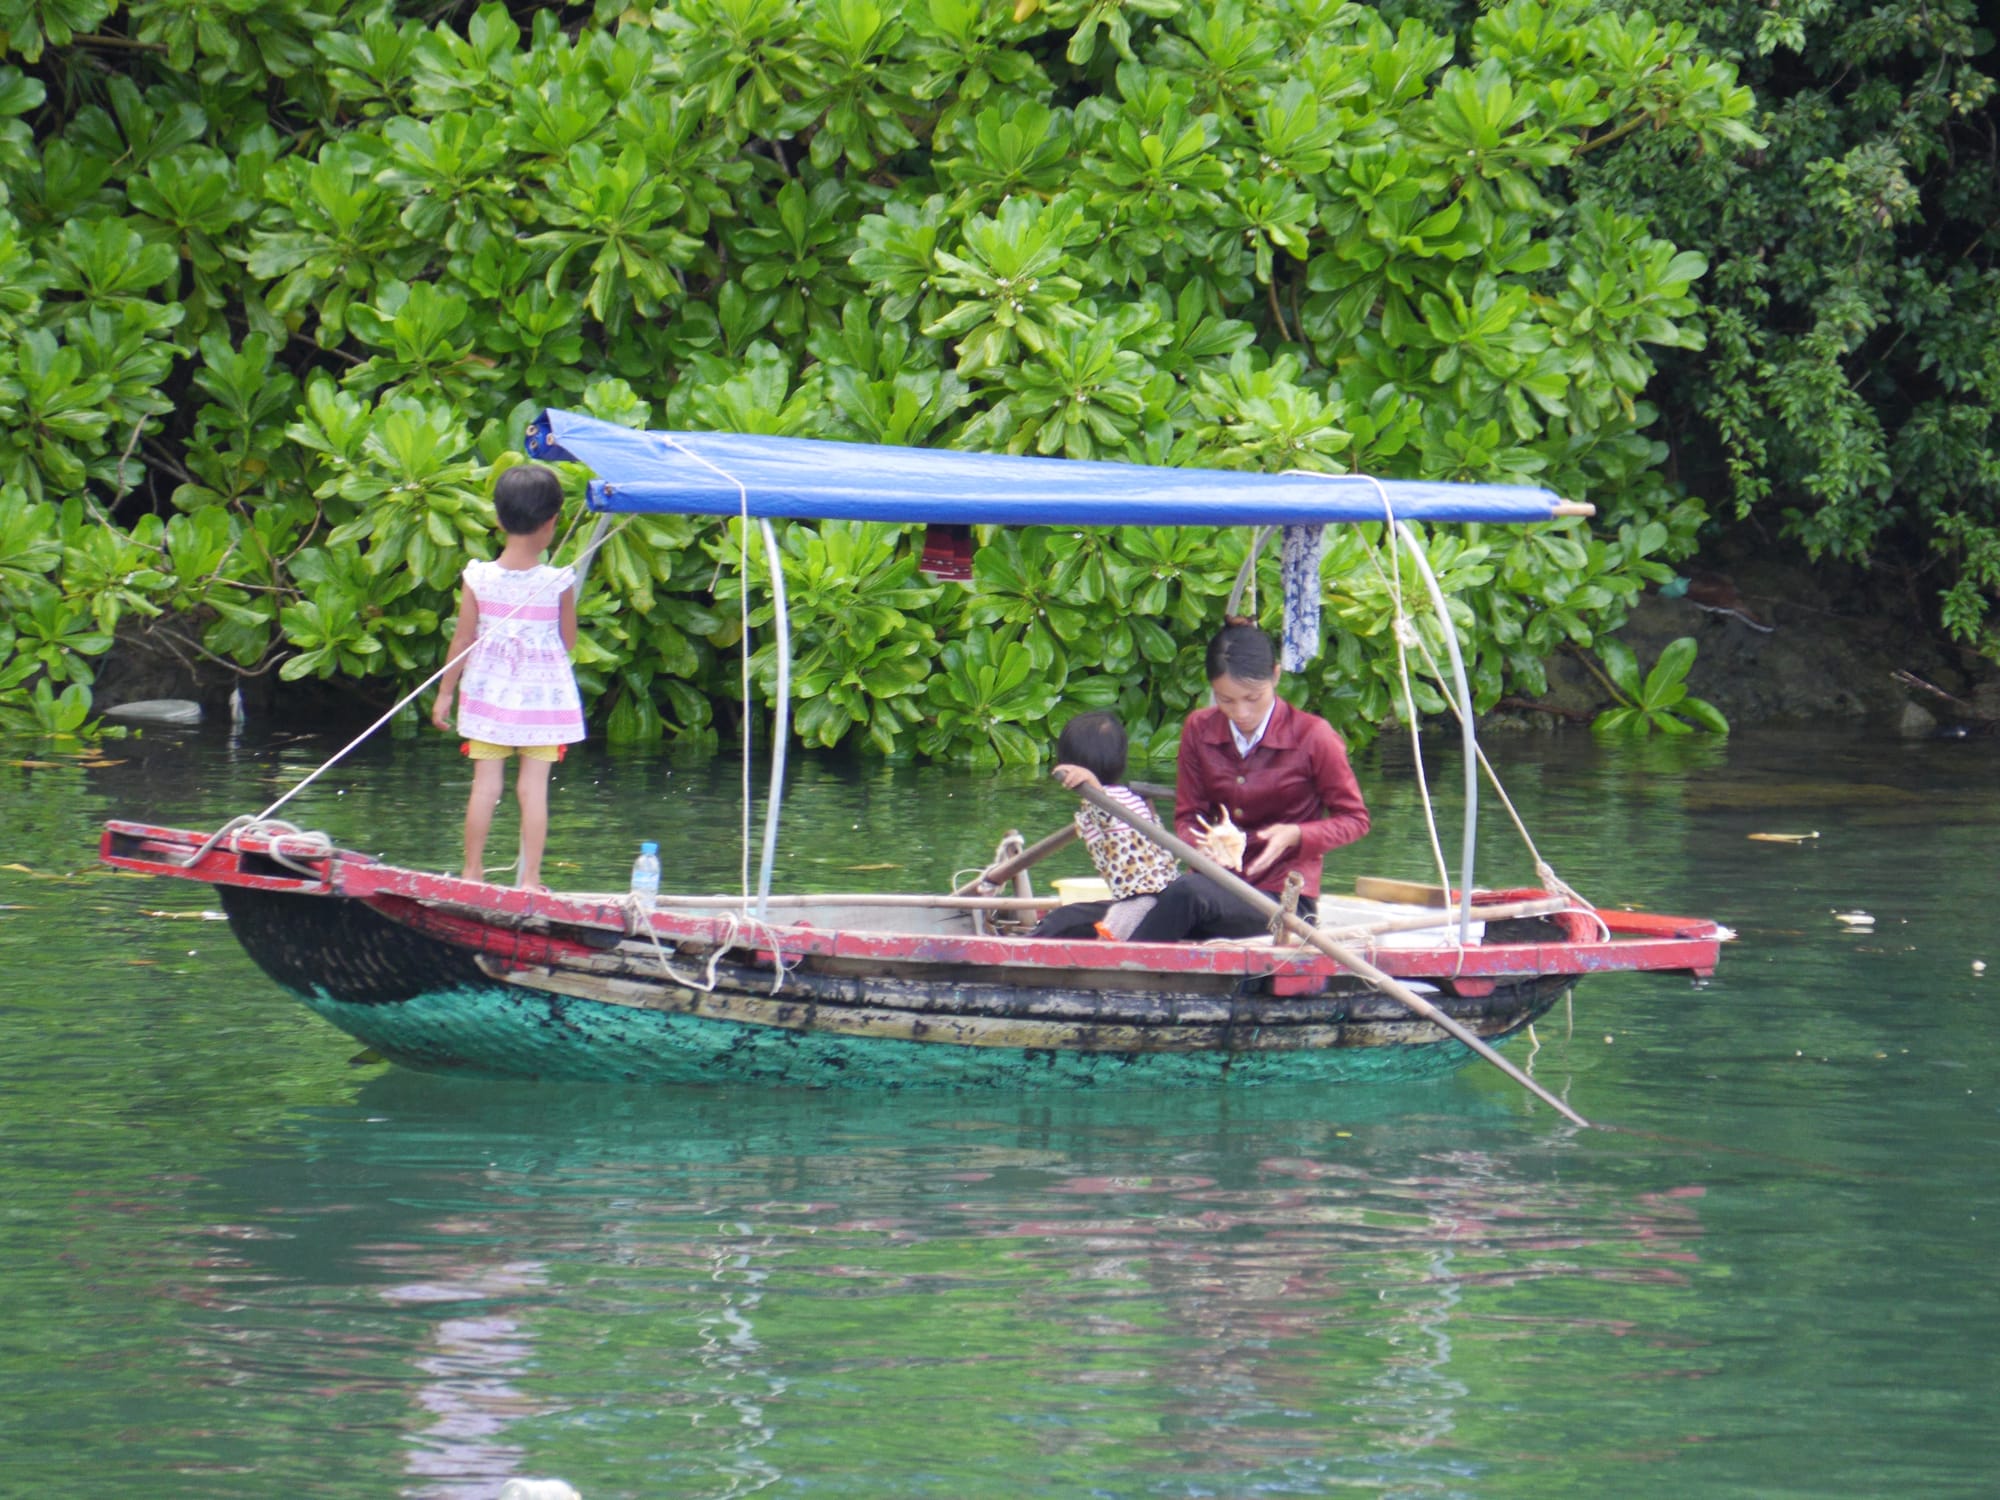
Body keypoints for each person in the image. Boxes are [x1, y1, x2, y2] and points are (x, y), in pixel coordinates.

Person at [1127, 617, 1369, 943]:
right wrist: (1203, 845)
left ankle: (1131, 967)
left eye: (1253, 698)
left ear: (1276, 676)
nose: (1241, 712)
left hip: (1283, 900)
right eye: (1225, 700)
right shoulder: (1199, 728)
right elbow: (1188, 816)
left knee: (1185, 895)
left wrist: (1296, 834)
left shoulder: (1314, 736)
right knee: (1134, 902)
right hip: (1215, 883)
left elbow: (1355, 819)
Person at [430, 463, 585, 889]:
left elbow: (461, 640)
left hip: (488, 698)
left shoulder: (477, 577)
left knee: (485, 786)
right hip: (541, 707)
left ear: (498, 519)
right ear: (553, 521)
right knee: (533, 790)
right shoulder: (559, 582)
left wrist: (445, 694)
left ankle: (472, 872)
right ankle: (530, 880)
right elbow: (568, 641)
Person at [1029, 711, 1180, 940]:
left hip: (1141, 901)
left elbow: (1106, 813)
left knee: (1101, 941)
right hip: (1155, 897)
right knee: (1062, 919)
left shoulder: (1102, 801)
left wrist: (1090, 783)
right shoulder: (1133, 798)